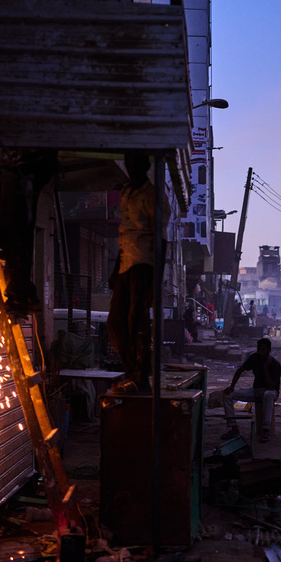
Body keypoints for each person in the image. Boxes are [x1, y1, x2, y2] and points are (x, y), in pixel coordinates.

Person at [107, 153, 168, 391]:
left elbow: (161, 240)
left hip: (144, 264)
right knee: (115, 323)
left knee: (137, 322)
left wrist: (157, 281)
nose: (130, 168)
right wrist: (115, 271)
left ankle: (140, 376)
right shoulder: (126, 192)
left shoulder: (153, 196)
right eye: (128, 164)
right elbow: (125, 234)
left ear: (144, 166)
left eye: (135, 164)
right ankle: (132, 370)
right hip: (126, 264)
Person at [0, 147, 58, 318]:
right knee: (6, 231)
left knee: (13, 230)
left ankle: (20, 294)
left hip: (23, 164)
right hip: (12, 165)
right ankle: (24, 291)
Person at [221, 338, 281, 443]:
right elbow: (239, 370)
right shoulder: (254, 358)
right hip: (256, 391)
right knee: (228, 395)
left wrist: (265, 368)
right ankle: (233, 427)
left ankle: (265, 430)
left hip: (271, 392)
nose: (260, 352)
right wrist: (232, 387)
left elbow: (271, 386)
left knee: (268, 394)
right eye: (258, 349)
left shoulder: (275, 364)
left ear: (269, 350)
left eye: (262, 349)